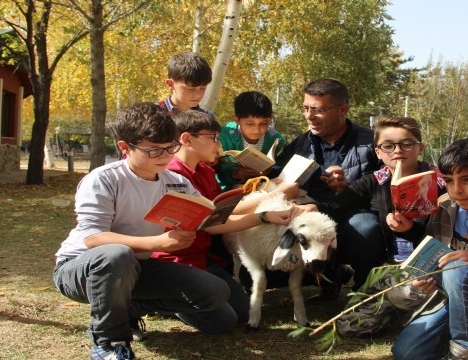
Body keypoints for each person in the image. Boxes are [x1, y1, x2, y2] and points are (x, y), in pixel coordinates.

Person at [51, 103, 291, 360]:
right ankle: (110, 342)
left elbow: (211, 221)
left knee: (215, 292)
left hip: (137, 268)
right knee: (115, 255)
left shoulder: (176, 181)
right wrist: (158, 242)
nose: (165, 156)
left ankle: (129, 305)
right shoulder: (104, 179)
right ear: (124, 147)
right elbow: (93, 238)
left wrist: (263, 216)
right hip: (81, 270)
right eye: (154, 150)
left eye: (170, 148)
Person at [296, 116, 445, 337]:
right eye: (388, 145)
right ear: (378, 152)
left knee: (412, 298)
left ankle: (420, 311)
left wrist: (411, 230)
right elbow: (340, 202)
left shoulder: (441, 183)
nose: (398, 151)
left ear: (420, 147)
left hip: (431, 265)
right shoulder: (376, 180)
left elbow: (445, 237)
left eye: (407, 143)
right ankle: (400, 310)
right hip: (391, 266)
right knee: (348, 325)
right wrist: (313, 208)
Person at [151, 109, 297, 325]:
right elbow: (211, 224)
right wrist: (265, 214)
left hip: (201, 256)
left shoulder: (205, 171)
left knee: (242, 313)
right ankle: (156, 301)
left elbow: (220, 210)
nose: (219, 145)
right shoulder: (172, 176)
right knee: (222, 322)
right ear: (187, 139)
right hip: (175, 260)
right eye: (212, 138)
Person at [391, 138, 468, 360]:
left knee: (458, 267)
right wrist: (422, 282)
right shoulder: (443, 208)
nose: (457, 190)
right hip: (451, 298)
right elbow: (433, 255)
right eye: (448, 180)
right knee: (407, 353)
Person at [271, 78, 380, 291]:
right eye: (305, 108)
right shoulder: (301, 143)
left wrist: (347, 188)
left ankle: (366, 292)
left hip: (352, 215)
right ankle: (325, 275)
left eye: (317, 110)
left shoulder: (371, 143)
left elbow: (382, 190)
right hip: (309, 216)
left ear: (343, 109)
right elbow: (277, 176)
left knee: (366, 227)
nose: (309, 116)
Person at [216, 91, 285, 190]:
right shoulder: (223, 136)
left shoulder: (276, 140)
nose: (257, 130)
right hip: (228, 189)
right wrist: (236, 173)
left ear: (270, 119)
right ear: (237, 120)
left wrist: (270, 170)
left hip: (262, 187)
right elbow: (215, 171)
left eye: (264, 123)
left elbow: (279, 167)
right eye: (249, 123)